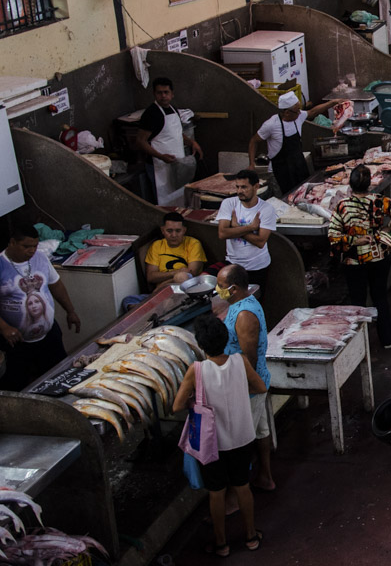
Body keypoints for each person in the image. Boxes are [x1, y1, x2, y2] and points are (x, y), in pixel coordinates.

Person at [172, 315, 265, 557]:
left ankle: (222, 544)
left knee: (216, 492)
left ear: (201, 345)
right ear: (225, 339)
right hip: (242, 437)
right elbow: (260, 387)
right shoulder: (240, 361)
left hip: (212, 443)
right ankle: (251, 536)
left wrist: (195, 399)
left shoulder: (197, 370)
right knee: (242, 486)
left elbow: (177, 406)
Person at [328, 165, 391, 349]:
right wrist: (387, 231)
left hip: (353, 262)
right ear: (369, 185)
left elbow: (333, 237)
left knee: (357, 302)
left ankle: (359, 344)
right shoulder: (378, 200)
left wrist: (353, 240)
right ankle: (387, 339)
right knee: (380, 296)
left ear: (350, 185)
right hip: (380, 257)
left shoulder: (342, 206)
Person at [0, 222, 81, 391]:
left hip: (48, 335)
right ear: (12, 242)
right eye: (26, 246)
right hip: (16, 343)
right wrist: (4, 327)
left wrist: (70, 310)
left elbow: (56, 285)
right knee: (18, 386)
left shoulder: (41, 258)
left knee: (62, 378)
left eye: (35, 246)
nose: (31, 251)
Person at [216, 264, 274, 492]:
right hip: (253, 383)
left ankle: (234, 495)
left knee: (240, 441)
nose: (217, 290)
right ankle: (265, 477)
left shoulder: (244, 315)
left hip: (248, 386)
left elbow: (247, 357)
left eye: (221, 287)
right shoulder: (238, 305)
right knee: (261, 431)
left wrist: (239, 389)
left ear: (235, 288)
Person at [248, 92, 345, 196]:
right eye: (297, 110)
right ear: (286, 113)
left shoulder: (297, 117)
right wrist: (251, 164)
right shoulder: (271, 125)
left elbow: (313, 112)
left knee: (304, 196)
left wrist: (332, 103)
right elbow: (254, 141)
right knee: (285, 199)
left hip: (298, 166)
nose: (300, 113)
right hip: (280, 171)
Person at [135, 77, 203, 206]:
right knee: (165, 201)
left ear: (172, 94)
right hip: (159, 166)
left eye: (166, 92)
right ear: (154, 94)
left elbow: (176, 133)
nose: (163, 96)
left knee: (180, 197)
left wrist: (191, 142)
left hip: (177, 164)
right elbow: (140, 141)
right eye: (159, 93)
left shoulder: (173, 109)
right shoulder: (151, 114)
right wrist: (160, 156)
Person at [216, 170, 277, 291]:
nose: (239, 191)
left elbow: (260, 241)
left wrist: (235, 227)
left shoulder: (266, 209)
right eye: (237, 187)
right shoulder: (229, 203)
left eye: (244, 187)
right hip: (233, 265)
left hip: (257, 266)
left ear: (256, 187)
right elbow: (222, 233)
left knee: (254, 302)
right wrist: (250, 228)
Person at [145, 212, 206, 292]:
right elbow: (151, 277)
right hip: (163, 294)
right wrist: (175, 273)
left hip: (187, 289)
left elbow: (190, 273)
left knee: (181, 277)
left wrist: (164, 284)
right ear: (162, 230)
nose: (174, 235)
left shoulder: (193, 243)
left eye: (178, 231)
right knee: (128, 300)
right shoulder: (157, 245)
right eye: (169, 231)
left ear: (184, 230)